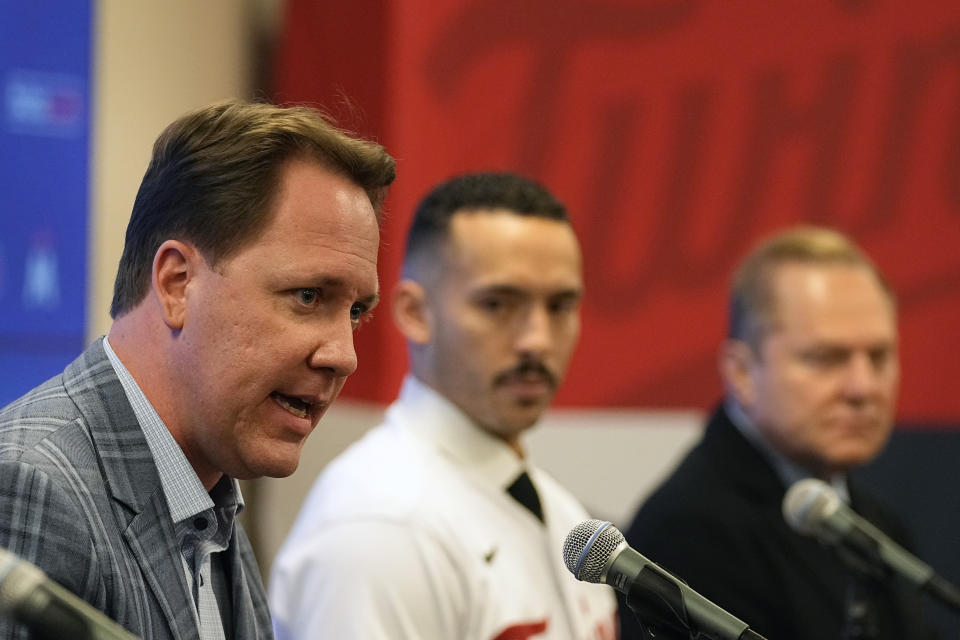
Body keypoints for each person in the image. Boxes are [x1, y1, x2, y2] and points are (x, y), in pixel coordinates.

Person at [0, 100, 396, 640]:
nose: (343, 355)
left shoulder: (208, 492)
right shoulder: (32, 487)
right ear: (177, 283)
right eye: (308, 296)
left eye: (355, 312)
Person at [269, 172, 618, 640]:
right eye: (497, 304)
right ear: (415, 313)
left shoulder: (564, 514)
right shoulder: (380, 528)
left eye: (559, 306)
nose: (537, 340)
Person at [620, 226, 932, 640]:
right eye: (825, 358)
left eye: (879, 357)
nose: (864, 388)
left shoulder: (879, 524)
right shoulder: (691, 532)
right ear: (742, 372)